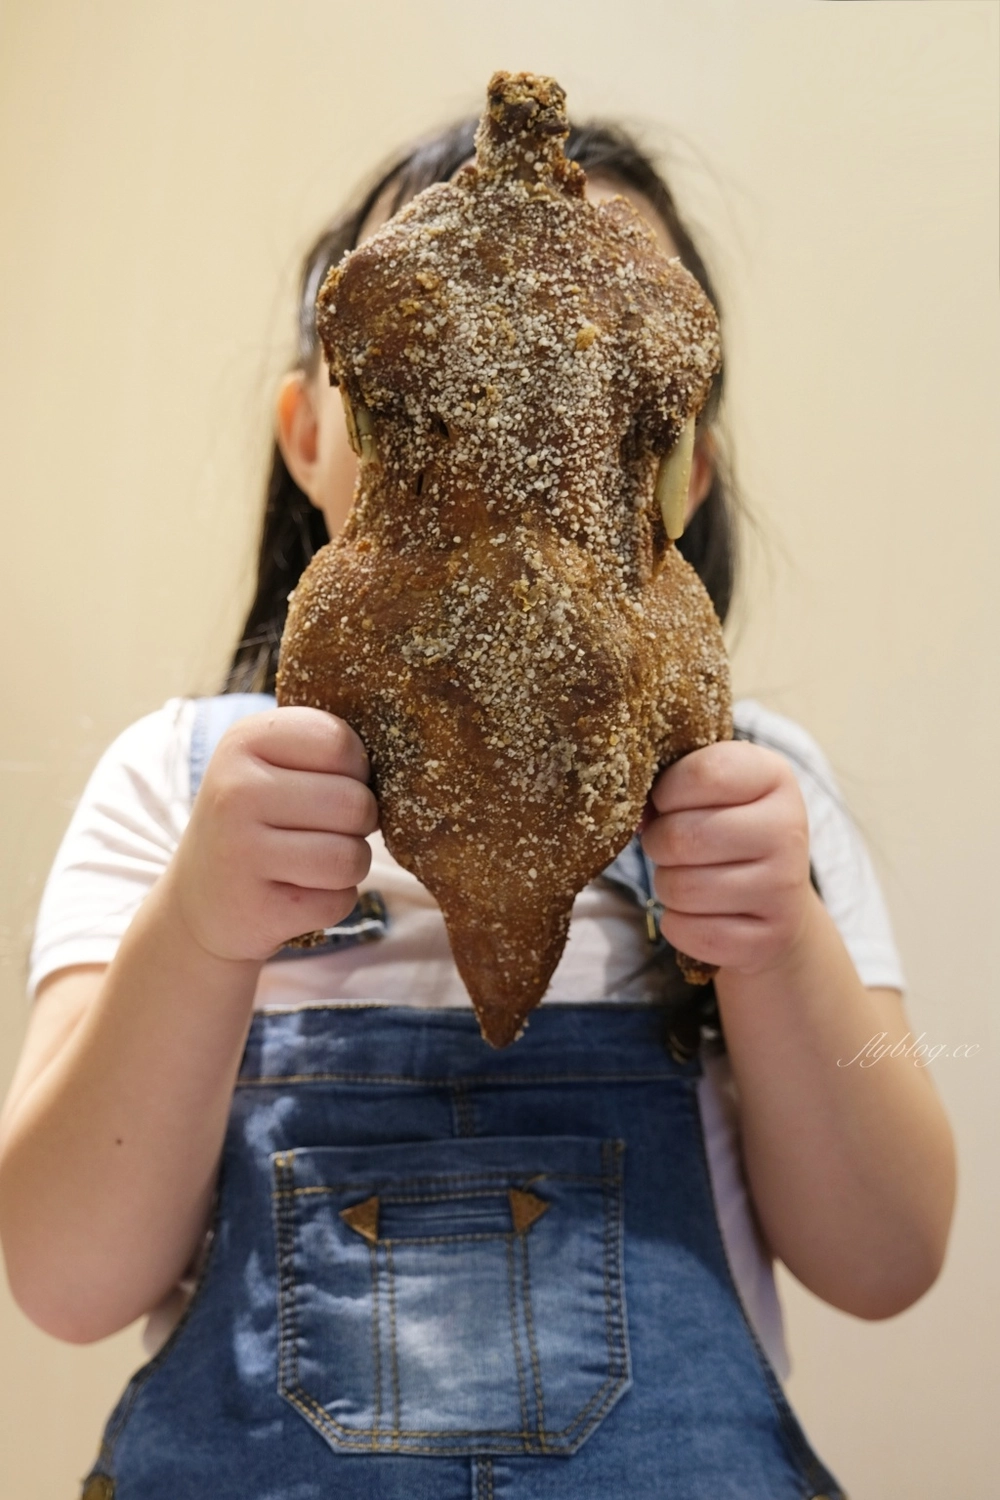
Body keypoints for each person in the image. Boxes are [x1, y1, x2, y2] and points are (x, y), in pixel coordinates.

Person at [0, 110, 955, 1500]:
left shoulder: (757, 802)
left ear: (685, 467)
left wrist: (781, 944)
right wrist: (199, 936)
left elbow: (890, 1254)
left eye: (601, 396)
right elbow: (62, 1271)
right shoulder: (177, 785)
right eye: (438, 390)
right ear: (309, 433)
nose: (525, 425)